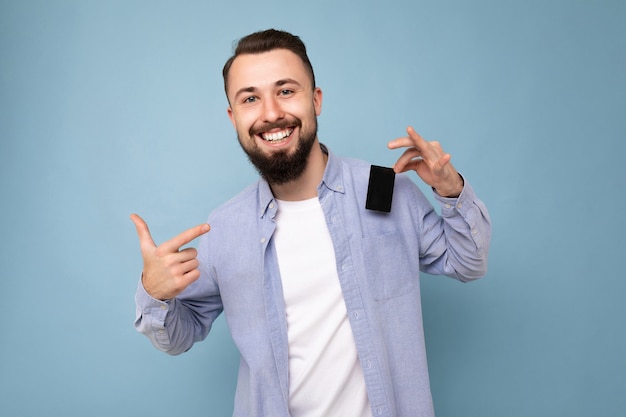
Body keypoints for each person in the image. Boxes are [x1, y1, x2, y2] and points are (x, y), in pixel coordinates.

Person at [132, 29, 491, 417]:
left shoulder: (385, 190)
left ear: (315, 100)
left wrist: (450, 189)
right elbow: (179, 336)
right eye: (250, 98)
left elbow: (468, 262)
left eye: (286, 91)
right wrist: (155, 293)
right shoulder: (225, 228)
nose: (270, 113)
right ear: (233, 117)